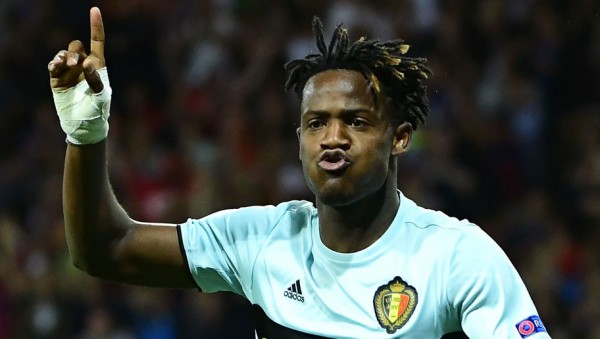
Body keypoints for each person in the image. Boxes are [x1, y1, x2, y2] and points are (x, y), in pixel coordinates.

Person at [48, 7, 551, 339]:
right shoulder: (262, 240)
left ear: (400, 137)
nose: (332, 138)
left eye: (356, 121)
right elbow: (104, 249)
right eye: (316, 123)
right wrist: (86, 132)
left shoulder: (455, 256)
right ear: (300, 140)